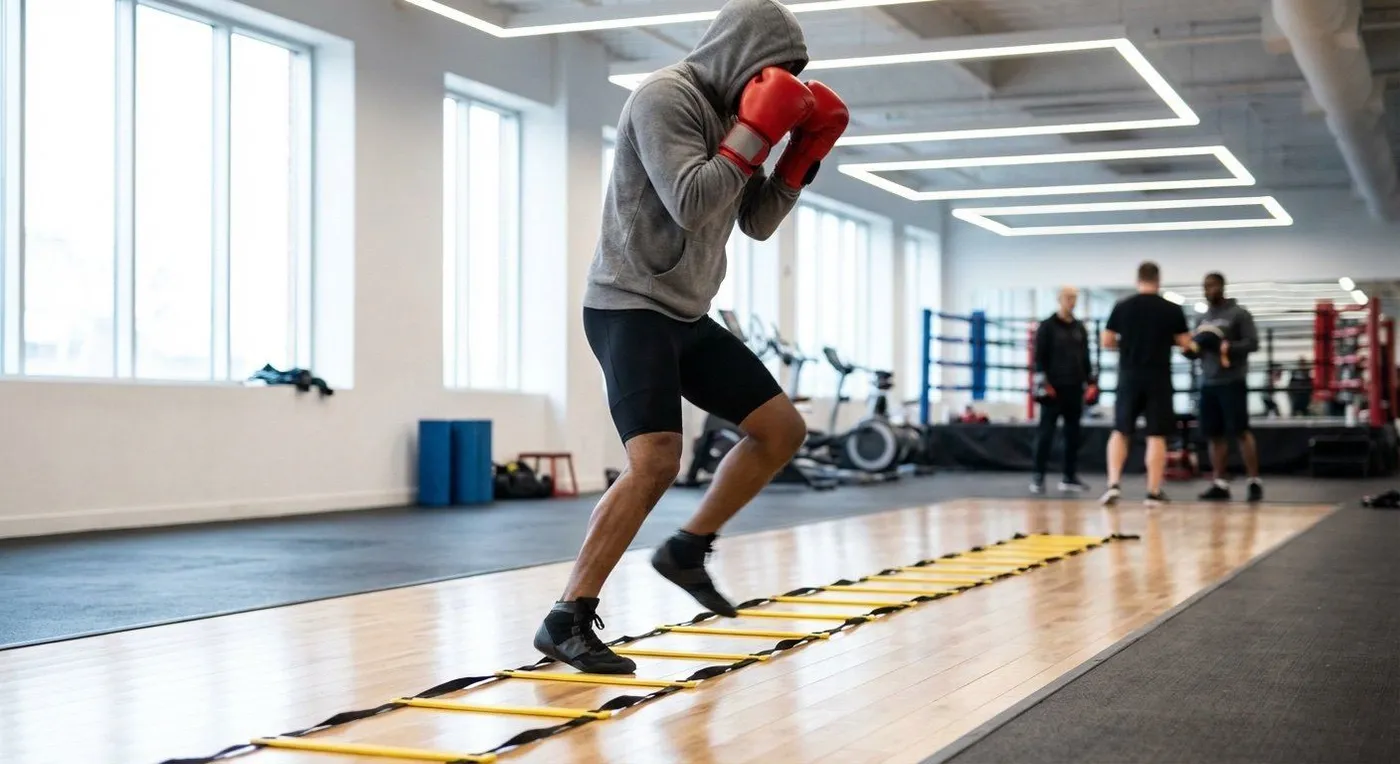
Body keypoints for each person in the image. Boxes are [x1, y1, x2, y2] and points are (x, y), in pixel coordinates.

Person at [534, 0, 850, 675]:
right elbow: (692, 200)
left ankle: (687, 547)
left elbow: (757, 221)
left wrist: (800, 154)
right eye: (773, 74)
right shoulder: (663, 100)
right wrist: (754, 133)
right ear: (741, 57)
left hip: (686, 312)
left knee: (781, 431)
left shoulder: (745, 117)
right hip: (629, 304)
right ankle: (566, 616)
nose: (778, 90)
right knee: (654, 461)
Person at [1099, 261, 1192, 507]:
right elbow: (1186, 343)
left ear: (1137, 279)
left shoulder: (1123, 306)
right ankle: (1152, 492)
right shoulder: (1171, 309)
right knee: (1156, 434)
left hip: (1129, 375)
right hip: (1158, 377)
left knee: (1121, 430)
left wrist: (1128, 345)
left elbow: (1106, 341)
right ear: (1158, 280)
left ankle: (1113, 486)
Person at [1193, 272, 1262, 502]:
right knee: (1214, 435)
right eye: (1205, 286)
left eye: (1212, 285)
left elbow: (1253, 343)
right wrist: (1190, 350)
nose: (1208, 290)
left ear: (1222, 287)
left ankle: (1254, 480)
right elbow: (1196, 348)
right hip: (1208, 382)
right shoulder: (1202, 319)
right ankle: (1220, 482)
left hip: (1232, 380)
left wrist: (1227, 347)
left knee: (1241, 431)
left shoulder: (1239, 314)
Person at [1030, 286, 1097, 494]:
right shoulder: (1047, 326)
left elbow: (1085, 357)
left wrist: (1091, 382)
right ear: (1059, 299)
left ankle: (1069, 476)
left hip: (1074, 387)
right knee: (1046, 434)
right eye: (1068, 297)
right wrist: (1043, 383)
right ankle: (1038, 476)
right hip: (1052, 389)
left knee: (1073, 434)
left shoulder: (1079, 328)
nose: (1072, 301)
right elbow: (1039, 357)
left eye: (1074, 298)